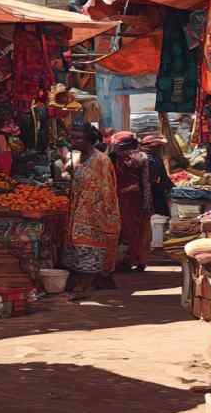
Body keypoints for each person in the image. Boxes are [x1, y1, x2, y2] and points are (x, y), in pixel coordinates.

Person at [63, 123, 120, 301]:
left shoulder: (101, 160)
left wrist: (102, 217)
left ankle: (85, 287)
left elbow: (108, 191)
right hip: (78, 212)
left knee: (89, 249)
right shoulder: (78, 159)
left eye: (78, 138)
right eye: (72, 137)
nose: (74, 141)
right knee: (78, 249)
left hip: (95, 215)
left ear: (89, 139)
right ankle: (87, 283)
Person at [110, 131, 152, 272]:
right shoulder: (142, 157)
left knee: (126, 231)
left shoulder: (113, 158)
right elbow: (146, 183)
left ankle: (128, 261)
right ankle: (137, 260)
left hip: (122, 198)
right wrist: (147, 203)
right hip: (135, 198)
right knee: (138, 230)